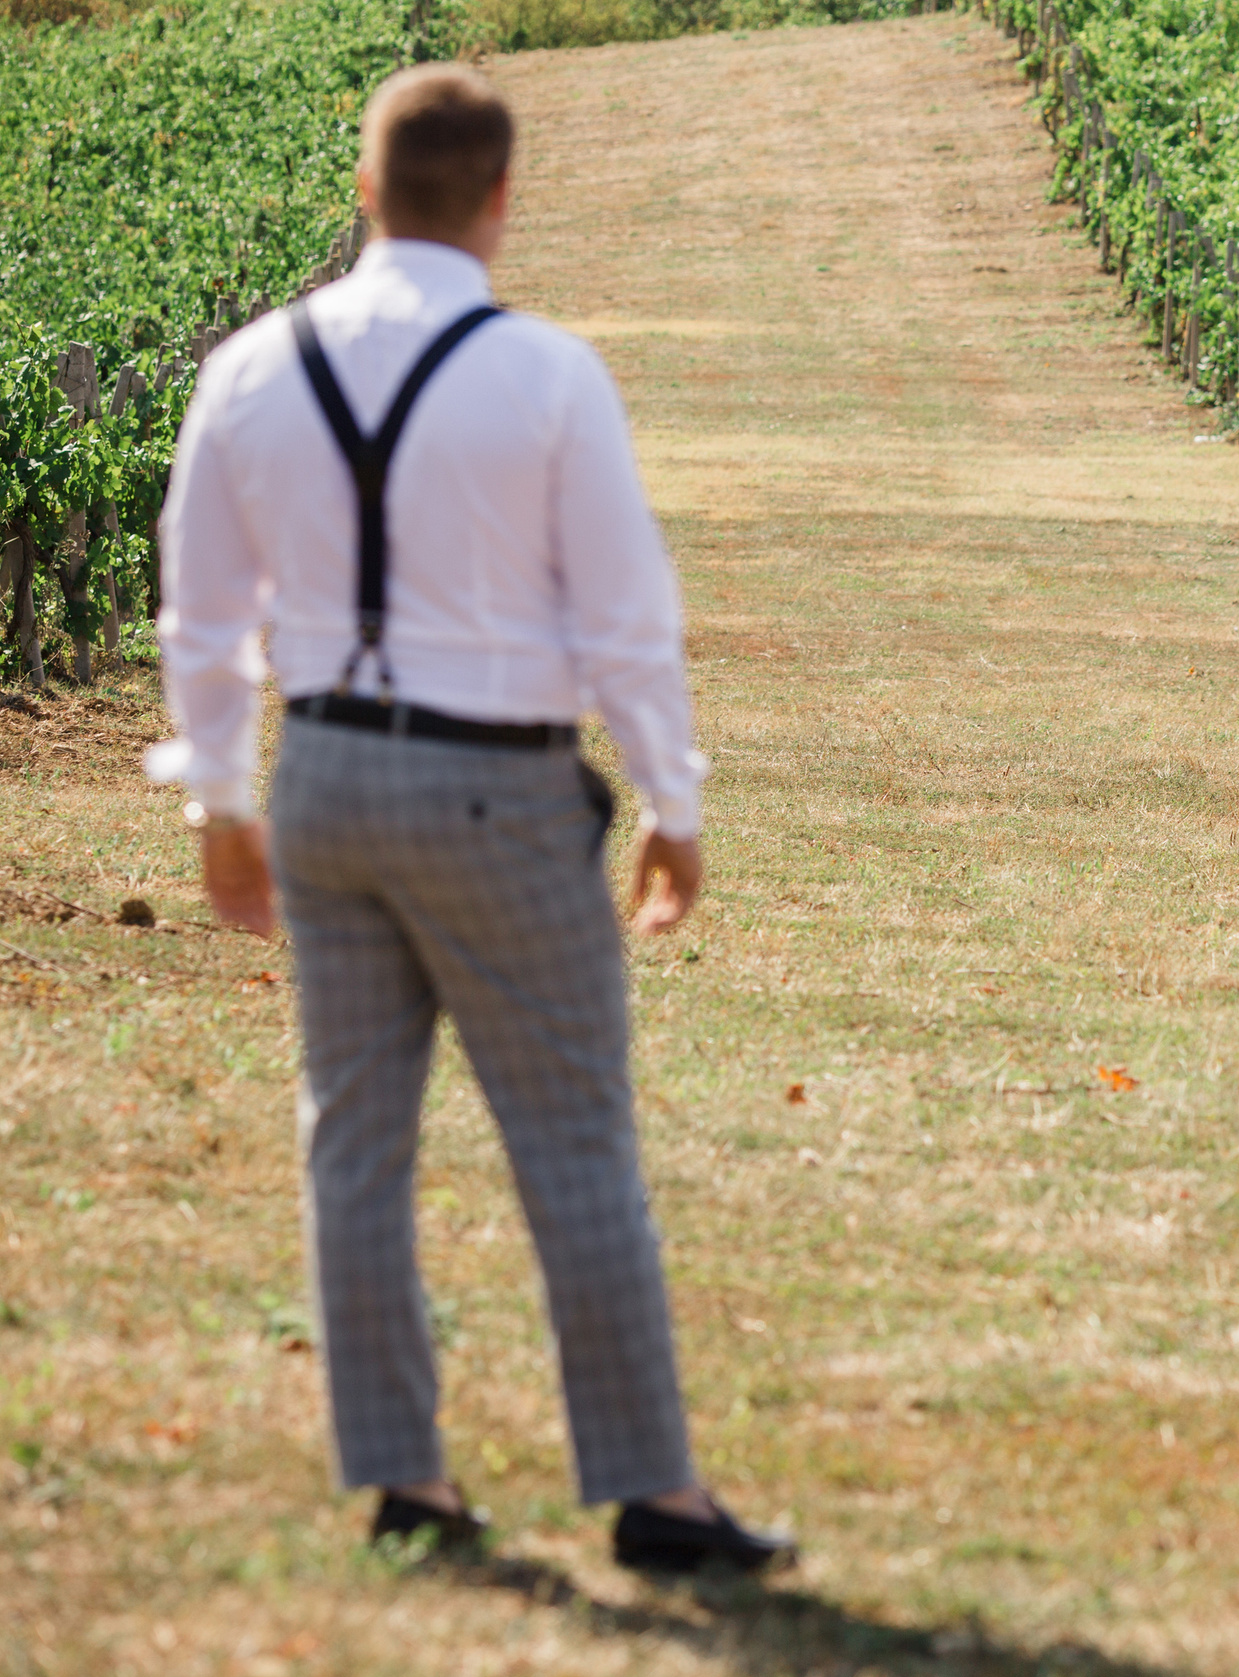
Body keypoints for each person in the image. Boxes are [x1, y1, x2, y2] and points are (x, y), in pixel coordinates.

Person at [150, 63, 786, 1573]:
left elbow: (199, 610)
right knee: (571, 1132)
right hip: (495, 783)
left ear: (363, 192)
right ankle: (652, 1491)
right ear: (501, 200)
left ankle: (405, 1484)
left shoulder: (250, 365)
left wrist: (221, 796)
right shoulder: (548, 373)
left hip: (325, 778)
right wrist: (671, 802)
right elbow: (627, 616)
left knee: (352, 1137)